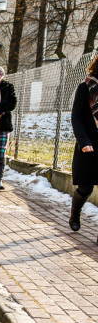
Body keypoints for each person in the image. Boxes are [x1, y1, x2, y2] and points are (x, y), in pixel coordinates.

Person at [69, 54, 98, 235]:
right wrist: (84, 141)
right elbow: (76, 117)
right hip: (89, 145)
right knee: (85, 187)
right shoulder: (86, 87)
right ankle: (75, 215)